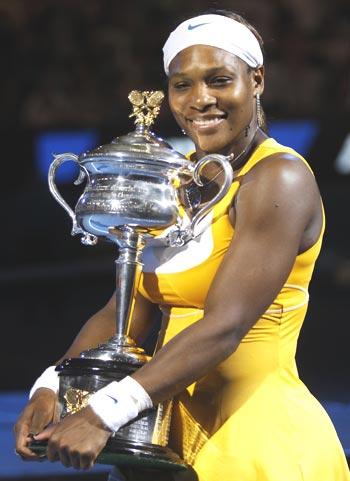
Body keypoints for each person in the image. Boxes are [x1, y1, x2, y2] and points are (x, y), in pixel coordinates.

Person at [14, 10, 350, 481]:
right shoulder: (182, 176)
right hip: (165, 440)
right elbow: (126, 310)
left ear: (256, 80)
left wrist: (102, 413)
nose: (201, 100)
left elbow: (224, 327)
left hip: (255, 443)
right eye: (182, 85)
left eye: (219, 80)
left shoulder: (279, 178)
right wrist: (51, 386)